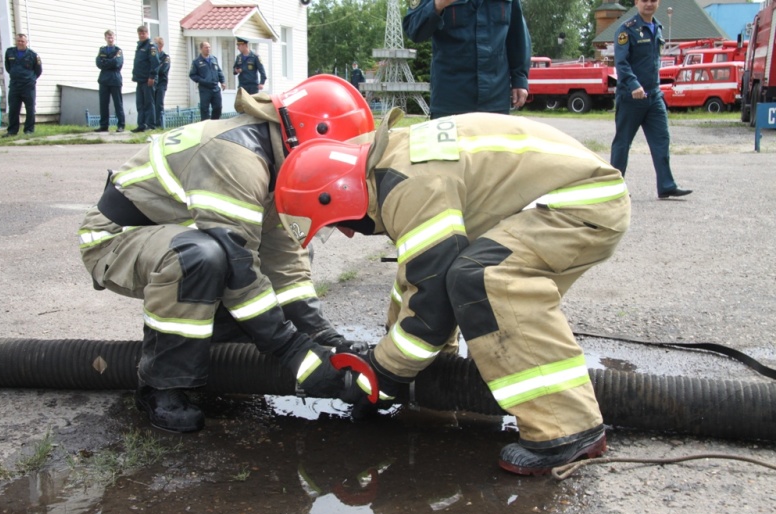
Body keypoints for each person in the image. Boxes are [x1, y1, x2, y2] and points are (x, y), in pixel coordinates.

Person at [274, 108, 631, 475]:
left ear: (341, 195)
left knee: (486, 278)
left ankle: (568, 429)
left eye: (337, 224)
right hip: (561, 197)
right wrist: (396, 360)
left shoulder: (409, 187)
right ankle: (444, 369)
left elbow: (431, 310)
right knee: (444, 269)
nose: (348, 232)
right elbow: (418, 279)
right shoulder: (390, 166)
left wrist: (382, 375)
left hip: (584, 204)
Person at [77, 75, 375, 433]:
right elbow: (239, 269)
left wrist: (327, 339)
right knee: (203, 258)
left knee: (250, 266)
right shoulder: (237, 159)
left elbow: (286, 265)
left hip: (179, 237)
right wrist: (297, 355)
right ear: (309, 138)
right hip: (116, 239)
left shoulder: (277, 158)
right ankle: (162, 384)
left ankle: (217, 354)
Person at [610, 0, 692, 199]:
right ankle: (613, 189)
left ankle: (666, 185)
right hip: (632, 96)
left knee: (661, 140)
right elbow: (621, 63)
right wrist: (633, 84)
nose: (649, 4)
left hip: (654, 96)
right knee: (623, 143)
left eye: (653, 0)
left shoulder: (658, 27)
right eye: (644, 0)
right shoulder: (626, 30)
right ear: (636, 2)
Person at [403, 0, 531, 119]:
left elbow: (517, 34)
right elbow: (413, 29)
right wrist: (437, 5)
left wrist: (520, 79)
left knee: (494, 143)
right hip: (450, 99)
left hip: (495, 98)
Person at [3, 34, 42, 137]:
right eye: (18, 41)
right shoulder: (10, 52)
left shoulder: (33, 55)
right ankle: (12, 131)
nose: (20, 43)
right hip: (15, 85)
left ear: (26, 42)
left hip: (28, 86)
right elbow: (8, 67)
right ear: (16, 41)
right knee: (13, 108)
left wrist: (30, 79)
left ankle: (29, 130)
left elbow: (38, 70)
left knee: (30, 109)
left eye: (22, 41)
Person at [94, 30, 125, 133]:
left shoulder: (118, 50)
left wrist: (106, 62)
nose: (110, 38)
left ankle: (121, 125)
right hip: (104, 80)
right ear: (105, 38)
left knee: (118, 104)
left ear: (114, 37)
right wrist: (110, 61)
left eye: (111, 36)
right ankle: (104, 125)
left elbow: (117, 63)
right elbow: (99, 63)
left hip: (115, 79)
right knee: (103, 104)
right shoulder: (102, 50)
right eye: (108, 37)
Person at [131, 26, 159, 133]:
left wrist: (152, 77)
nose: (142, 35)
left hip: (148, 80)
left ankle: (150, 124)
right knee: (140, 103)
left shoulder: (151, 46)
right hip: (140, 79)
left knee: (149, 103)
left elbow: (155, 63)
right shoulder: (139, 46)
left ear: (147, 33)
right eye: (140, 33)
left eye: (144, 33)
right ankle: (141, 125)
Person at [190, 41, 226, 120]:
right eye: (206, 47)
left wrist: (222, 81)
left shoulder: (214, 59)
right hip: (205, 89)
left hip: (215, 87)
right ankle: (205, 124)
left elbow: (219, 71)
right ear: (201, 49)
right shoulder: (196, 62)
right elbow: (192, 75)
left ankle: (214, 123)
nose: (208, 49)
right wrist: (202, 80)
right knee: (204, 109)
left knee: (218, 107)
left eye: (209, 47)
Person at [153, 36, 170, 128]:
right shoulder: (152, 56)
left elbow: (163, 70)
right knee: (151, 103)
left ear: (160, 45)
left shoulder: (165, 57)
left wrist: (155, 68)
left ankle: (159, 124)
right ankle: (151, 123)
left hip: (161, 83)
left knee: (159, 103)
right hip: (152, 82)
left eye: (156, 43)